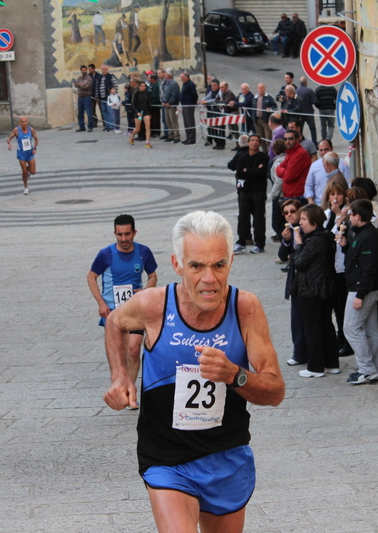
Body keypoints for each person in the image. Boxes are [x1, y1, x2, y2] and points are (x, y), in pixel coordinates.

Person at [102, 211, 285, 533]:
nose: (209, 278)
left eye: (218, 265)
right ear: (176, 264)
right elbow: (116, 322)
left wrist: (233, 374)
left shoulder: (245, 308)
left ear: (231, 262)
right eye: (196, 266)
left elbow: (275, 391)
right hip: (166, 458)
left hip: (226, 455)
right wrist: (120, 376)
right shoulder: (153, 304)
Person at [88, 214, 157, 397]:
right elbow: (91, 277)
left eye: (127, 234)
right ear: (114, 233)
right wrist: (101, 303)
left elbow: (153, 276)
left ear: (134, 232)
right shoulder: (106, 254)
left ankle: (129, 389)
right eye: (120, 235)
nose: (124, 239)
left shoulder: (144, 252)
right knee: (118, 351)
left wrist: (146, 292)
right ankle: (118, 382)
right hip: (112, 313)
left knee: (134, 350)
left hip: (135, 312)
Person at [338, 199, 378, 385]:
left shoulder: (369, 236)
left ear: (358, 216)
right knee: (370, 328)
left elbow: (369, 268)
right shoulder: (359, 233)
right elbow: (356, 259)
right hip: (361, 287)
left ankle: (367, 369)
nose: (348, 217)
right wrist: (345, 246)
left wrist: (360, 294)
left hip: (362, 288)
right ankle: (373, 369)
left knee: (351, 327)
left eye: (350, 214)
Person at [291, 204, 340, 377]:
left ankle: (315, 367)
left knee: (313, 328)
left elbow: (299, 263)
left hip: (313, 289)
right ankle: (331, 363)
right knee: (326, 325)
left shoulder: (313, 241)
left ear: (314, 221)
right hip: (325, 288)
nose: (301, 222)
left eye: (304, 219)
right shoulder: (325, 235)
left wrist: (298, 246)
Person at [278, 200, 311, 368]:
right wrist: (285, 241)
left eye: (292, 211)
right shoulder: (288, 231)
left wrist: (295, 253)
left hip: (309, 280)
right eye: (286, 212)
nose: (289, 214)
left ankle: (311, 353)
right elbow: (283, 256)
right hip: (295, 281)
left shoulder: (305, 230)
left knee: (309, 318)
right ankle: (299, 353)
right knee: (296, 318)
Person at [322, 177, 350, 351]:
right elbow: (326, 236)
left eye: (339, 193)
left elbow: (339, 235)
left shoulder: (347, 212)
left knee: (344, 304)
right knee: (336, 305)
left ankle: (347, 341)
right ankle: (340, 338)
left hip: (344, 266)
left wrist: (340, 216)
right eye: (332, 194)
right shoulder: (326, 215)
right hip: (331, 266)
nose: (336, 197)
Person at [232, 135, 269, 254]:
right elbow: (239, 173)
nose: (254, 143)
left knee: (258, 218)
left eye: (257, 141)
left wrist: (247, 170)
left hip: (258, 191)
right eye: (252, 141)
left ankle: (259, 244)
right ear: (248, 143)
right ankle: (241, 242)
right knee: (243, 217)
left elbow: (262, 172)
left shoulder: (264, 157)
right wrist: (253, 171)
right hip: (245, 191)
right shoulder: (242, 157)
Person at [275, 129, 311, 203]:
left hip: (297, 195)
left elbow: (288, 176)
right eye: (285, 139)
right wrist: (284, 171)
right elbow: (277, 170)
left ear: (297, 139)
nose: (287, 141)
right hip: (290, 193)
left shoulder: (300, 153)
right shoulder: (290, 153)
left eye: (290, 138)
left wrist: (282, 170)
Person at [6, 116, 39, 195]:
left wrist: (34, 148)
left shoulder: (31, 130)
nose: (24, 123)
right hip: (21, 153)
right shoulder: (17, 130)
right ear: (19, 123)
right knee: (24, 171)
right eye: (22, 122)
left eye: (25, 121)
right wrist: (10, 144)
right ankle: (26, 187)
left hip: (29, 152)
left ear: (27, 122)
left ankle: (28, 171)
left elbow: (36, 139)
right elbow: (8, 138)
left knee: (33, 172)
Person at [305, 140, 339, 205]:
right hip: (319, 205)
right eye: (321, 150)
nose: (324, 152)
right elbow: (308, 185)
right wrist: (310, 200)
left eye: (326, 149)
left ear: (332, 148)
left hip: (336, 204)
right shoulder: (314, 166)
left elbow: (348, 184)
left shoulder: (342, 164)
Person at [269, 138, 288, 243]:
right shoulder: (285, 158)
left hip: (280, 196)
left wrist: (273, 194)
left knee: (277, 223)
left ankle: (285, 243)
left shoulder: (279, 161)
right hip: (284, 194)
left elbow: (279, 180)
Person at [201, 79, 225, 150]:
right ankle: (216, 142)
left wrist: (206, 102)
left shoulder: (220, 93)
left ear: (218, 86)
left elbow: (215, 100)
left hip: (218, 111)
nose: (212, 87)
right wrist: (203, 100)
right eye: (211, 85)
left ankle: (221, 144)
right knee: (212, 128)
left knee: (220, 128)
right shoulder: (211, 92)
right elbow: (206, 98)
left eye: (214, 85)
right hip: (211, 111)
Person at [252, 84, 277, 152]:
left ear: (264, 88)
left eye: (262, 88)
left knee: (268, 137)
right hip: (257, 121)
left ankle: (270, 152)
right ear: (257, 89)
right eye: (259, 88)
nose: (261, 89)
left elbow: (275, 106)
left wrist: (270, 109)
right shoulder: (255, 98)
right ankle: (264, 151)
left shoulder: (269, 97)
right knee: (261, 138)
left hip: (266, 121)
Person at [129, 81, 152, 148]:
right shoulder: (136, 94)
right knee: (137, 129)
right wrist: (137, 112)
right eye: (142, 86)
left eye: (144, 86)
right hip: (138, 113)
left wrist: (149, 113)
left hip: (145, 112)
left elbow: (148, 104)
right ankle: (132, 135)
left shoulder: (146, 93)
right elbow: (134, 104)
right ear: (139, 86)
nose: (143, 87)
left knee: (148, 127)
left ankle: (147, 142)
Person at [96, 65, 117, 132]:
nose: (103, 71)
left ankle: (111, 125)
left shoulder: (111, 77)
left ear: (107, 69)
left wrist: (113, 93)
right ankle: (107, 125)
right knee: (104, 112)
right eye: (102, 69)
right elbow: (97, 88)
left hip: (109, 97)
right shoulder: (99, 78)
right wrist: (97, 97)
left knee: (109, 111)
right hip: (102, 98)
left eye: (104, 69)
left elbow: (115, 86)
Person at [162, 68, 181, 143]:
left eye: (166, 73)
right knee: (168, 121)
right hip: (166, 104)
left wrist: (169, 102)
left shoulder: (173, 83)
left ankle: (177, 136)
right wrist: (164, 101)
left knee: (173, 121)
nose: (165, 74)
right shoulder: (166, 83)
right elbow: (165, 93)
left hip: (171, 105)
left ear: (169, 75)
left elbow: (175, 95)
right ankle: (171, 135)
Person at [74, 65, 94, 133]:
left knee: (89, 113)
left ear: (86, 70)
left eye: (85, 70)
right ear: (81, 71)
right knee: (80, 113)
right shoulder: (79, 78)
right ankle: (81, 126)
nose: (84, 71)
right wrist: (81, 84)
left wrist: (80, 84)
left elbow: (86, 85)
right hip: (80, 97)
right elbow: (75, 83)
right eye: (82, 70)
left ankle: (90, 127)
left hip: (87, 97)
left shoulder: (89, 78)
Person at [180, 72, 198, 144]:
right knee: (186, 122)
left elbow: (194, 95)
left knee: (190, 122)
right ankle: (188, 137)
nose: (181, 79)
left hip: (189, 106)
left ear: (186, 77)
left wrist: (192, 103)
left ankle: (192, 138)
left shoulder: (191, 84)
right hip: (184, 105)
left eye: (182, 78)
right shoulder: (185, 84)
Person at [147, 74, 162, 139]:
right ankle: (152, 131)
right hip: (150, 106)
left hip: (155, 105)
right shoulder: (150, 85)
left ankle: (157, 132)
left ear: (153, 79)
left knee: (156, 119)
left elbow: (157, 96)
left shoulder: (157, 86)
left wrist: (153, 102)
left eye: (149, 78)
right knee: (151, 119)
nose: (148, 79)